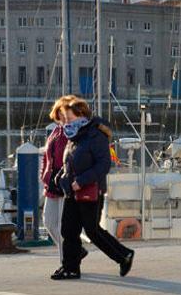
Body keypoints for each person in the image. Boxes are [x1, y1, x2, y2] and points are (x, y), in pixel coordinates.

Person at [52, 98, 134, 280]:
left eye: (68, 118)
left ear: (81, 116)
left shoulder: (95, 136)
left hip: (91, 191)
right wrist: (60, 178)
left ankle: (124, 255)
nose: (65, 122)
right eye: (64, 119)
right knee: (68, 230)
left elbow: (104, 165)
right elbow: (70, 162)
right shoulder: (74, 135)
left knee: (92, 230)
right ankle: (70, 267)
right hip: (72, 192)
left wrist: (81, 181)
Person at [41, 96, 82, 265]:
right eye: (60, 112)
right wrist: (43, 173)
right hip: (52, 182)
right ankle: (76, 251)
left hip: (66, 180)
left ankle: (66, 262)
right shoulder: (55, 131)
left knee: (62, 227)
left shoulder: (74, 130)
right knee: (49, 222)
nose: (63, 116)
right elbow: (46, 154)